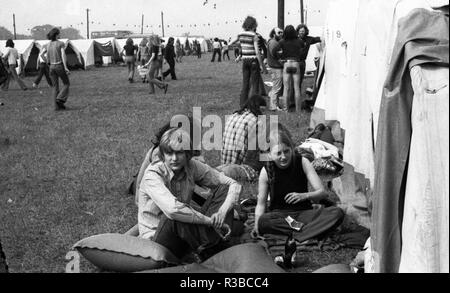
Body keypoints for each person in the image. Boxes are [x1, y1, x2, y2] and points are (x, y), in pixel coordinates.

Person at [137, 127, 242, 261]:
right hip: (158, 239)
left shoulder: (191, 166)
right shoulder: (153, 175)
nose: (174, 158)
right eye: (169, 153)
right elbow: (173, 210)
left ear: (187, 154)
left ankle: (212, 244)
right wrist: (209, 221)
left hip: (185, 232)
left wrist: (222, 211)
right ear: (163, 155)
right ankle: (211, 246)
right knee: (175, 216)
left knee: (223, 189)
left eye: (179, 153)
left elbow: (232, 184)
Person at [251, 127, 344, 246]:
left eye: (286, 151)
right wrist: (256, 226)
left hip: (304, 214)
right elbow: (261, 204)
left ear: (292, 149)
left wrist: (304, 196)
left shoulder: (302, 162)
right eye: (278, 153)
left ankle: (299, 234)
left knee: (337, 213)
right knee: (263, 221)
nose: (283, 157)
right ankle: (311, 232)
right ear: (270, 154)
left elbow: (322, 192)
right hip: (281, 217)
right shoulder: (266, 171)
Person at [217, 95, 267, 183]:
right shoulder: (257, 121)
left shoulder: (232, 115)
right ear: (257, 107)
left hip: (224, 162)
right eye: (262, 110)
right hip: (241, 166)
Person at [229, 16, 266, 108]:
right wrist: (262, 65)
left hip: (245, 61)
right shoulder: (254, 35)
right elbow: (257, 52)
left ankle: (242, 105)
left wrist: (242, 45)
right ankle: (254, 106)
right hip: (253, 60)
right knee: (255, 84)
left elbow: (230, 44)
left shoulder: (240, 34)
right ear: (253, 25)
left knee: (245, 84)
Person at [273, 25, 305, 112]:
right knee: (296, 87)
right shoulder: (300, 41)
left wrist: (280, 58)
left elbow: (275, 51)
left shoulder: (281, 42)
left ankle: (286, 110)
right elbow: (303, 51)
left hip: (286, 64)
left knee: (286, 88)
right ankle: (298, 110)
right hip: (296, 63)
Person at [40, 29, 70, 110]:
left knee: (55, 87)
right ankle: (60, 99)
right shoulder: (60, 43)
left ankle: (55, 107)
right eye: (59, 34)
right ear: (56, 35)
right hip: (59, 65)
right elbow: (63, 55)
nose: (60, 35)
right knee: (66, 84)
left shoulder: (48, 44)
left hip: (51, 67)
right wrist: (66, 67)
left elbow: (41, 54)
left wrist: (48, 62)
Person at [294, 24, 322, 109]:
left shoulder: (309, 39)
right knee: (294, 83)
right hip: (295, 62)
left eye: (303, 31)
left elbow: (319, 39)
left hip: (302, 62)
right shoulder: (294, 39)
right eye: (300, 31)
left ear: (306, 31)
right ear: (297, 31)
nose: (302, 32)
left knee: (299, 82)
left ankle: (297, 102)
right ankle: (293, 102)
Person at [267, 28, 284, 111]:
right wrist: (282, 61)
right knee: (277, 88)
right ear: (274, 34)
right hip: (276, 67)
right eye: (279, 32)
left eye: (282, 32)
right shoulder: (274, 43)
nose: (281, 34)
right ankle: (273, 106)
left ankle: (275, 105)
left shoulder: (271, 41)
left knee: (275, 87)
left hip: (273, 67)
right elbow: (276, 55)